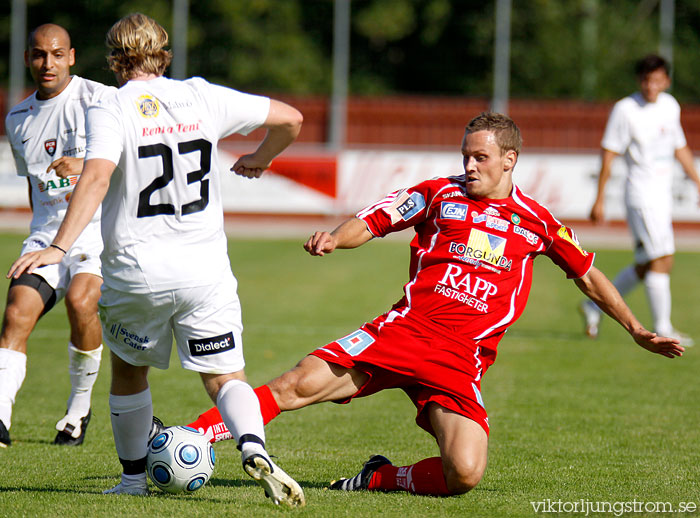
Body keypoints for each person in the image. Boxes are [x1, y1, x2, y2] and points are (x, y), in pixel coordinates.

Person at [177, 112, 684, 496]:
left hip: (460, 359)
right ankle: (190, 438)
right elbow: (374, 219)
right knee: (294, 386)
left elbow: (589, 275)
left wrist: (636, 329)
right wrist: (335, 238)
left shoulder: (537, 222)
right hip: (403, 333)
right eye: (465, 155)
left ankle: (379, 478)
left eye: (479, 158)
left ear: (510, 160)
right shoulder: (439, 195)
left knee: (464, 472)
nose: (468, 165)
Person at [8, 13, 305, 506]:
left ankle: (131, 480)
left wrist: (57, 248)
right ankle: (253, 445)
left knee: (128, 371)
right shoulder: (202, 95)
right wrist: (261, 157)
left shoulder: (111, 105)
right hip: (205, 270)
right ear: (163, 54)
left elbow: (97, 178)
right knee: (225, 378)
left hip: (137, 270)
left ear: (113, 58)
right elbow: (291, 119)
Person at [1, 24, 112, 448]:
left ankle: (78, 411)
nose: (47, 63)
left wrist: (83, 164)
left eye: (56, 54)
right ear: (28, 58)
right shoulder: (18, 117)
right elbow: (33, 184)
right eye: (38, 55)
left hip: (96, 234)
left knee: (81, 301)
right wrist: (40, 237)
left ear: (72, 56)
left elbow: (129, 162)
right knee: (16, 312)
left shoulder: (100, 99)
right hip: (46, 235)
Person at [581, 54, 700, 345]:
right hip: (640, 195)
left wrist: (698, 181)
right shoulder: (626, 110)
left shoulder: (670, 106)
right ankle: (663, 326)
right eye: (646, 80)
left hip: (662, 196)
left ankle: (593, 304)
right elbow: (609, 154)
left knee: (647, 262)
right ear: (639, 81)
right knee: (663, 258)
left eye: (657, 80)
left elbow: (679, 147)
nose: (651, 86)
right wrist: (599, 199)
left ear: (666, 81)